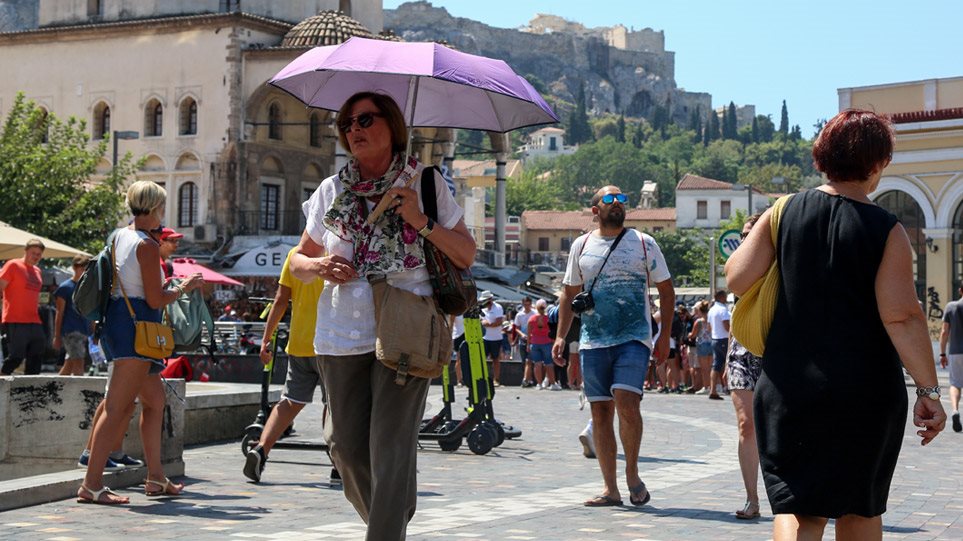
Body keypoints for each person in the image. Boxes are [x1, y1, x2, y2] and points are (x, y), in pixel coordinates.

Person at [726, 109, 946, 540]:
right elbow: (901, 316)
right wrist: (928, 391)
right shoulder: (887, 230)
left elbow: (736, 277)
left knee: (798, 507)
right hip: (864, 391)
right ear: (879, 164)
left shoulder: (782, 211)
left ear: (820, 157)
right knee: (859, 508)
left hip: (789, 384)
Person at [290, 91, 475, 540]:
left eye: (366, 120)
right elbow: (297, 259)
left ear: (393, 126)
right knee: (345, 448)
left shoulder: (426, 185)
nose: (355, 130)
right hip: (340, 333)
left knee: (390, 449)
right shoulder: (332, 191)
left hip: (405, 329)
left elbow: (466, 253)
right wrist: (317, 266)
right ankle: (390, 524)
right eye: (348, 123)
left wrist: (420, 220)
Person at [77, 180, 204, 504]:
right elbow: (155, 297)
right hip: (137, 330)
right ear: (152, 208)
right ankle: (91, 485)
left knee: (155, 401)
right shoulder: (147, 246)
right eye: (162, 206)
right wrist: (183, 287)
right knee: (118, 407)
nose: (164, 211)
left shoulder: (120, 235)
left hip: (123, 324)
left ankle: (156, 477)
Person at [553, 185, 674, 508]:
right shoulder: (582, 245)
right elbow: (569, 292)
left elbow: (666, 289)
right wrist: (562, 336)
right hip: (594, 339)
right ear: (595, 210)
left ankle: (632, 474)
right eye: (609, 200)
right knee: (601, 411)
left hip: (634, 337)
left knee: (627, 401)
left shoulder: (645, 244)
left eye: (622, 199)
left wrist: (663, 335)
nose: (618, 203)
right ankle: (611, 489)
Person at [244, 247, 334, 483]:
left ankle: (261, 450)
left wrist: (266, 339)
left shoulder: (296, 255)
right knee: (334, 405)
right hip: (331, 343)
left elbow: (281, 300)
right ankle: (338, 461)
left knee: (289, 401)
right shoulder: (336, 250)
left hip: (299, 342)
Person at [727, 215, 765, 520]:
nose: (744, 239)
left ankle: (791, 498)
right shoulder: (739, 268)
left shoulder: (776, 267)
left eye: (750, 234)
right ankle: (752, 499)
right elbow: (737, 312)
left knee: (780, 429)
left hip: (774, 352)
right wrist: (727, 355)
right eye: (742, 234)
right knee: (746, 424)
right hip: (740, 353)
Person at [0, 239, 46, 375]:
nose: (36, 256)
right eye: (33, 253)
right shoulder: (13, 265)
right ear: (25, 251)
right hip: (15, 318)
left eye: (39, 254)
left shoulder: (37, 270)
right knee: (16, 356)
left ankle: (31, 388)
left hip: (34, 320)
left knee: (37, 354)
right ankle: (1, 379)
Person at [54, 255, 93, 376]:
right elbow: (59, 313)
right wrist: (57, 336)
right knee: (79, 363)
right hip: (71, 331)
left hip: (84, 331)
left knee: (69, 364)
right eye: (82, 268)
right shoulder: (65, 287)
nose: (84, 271)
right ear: (74, 267)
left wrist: (93, 330)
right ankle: (79, 393)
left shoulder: (87, 287)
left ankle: (55, 390)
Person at [941, 286, 963, 432]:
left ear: (961, 290)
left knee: (955, 383)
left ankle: (955, 410)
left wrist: (942, 354)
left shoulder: (951, 306)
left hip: (955, 352)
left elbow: (944, 332)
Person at [528, 299, 560, 390]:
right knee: (549, 364)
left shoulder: (532, 319)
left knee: (537, 364)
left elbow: (529, 333)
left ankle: (539, 384)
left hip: (534, 343)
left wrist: (528, 345)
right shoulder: (548, 318)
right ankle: (553, 383)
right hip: (547, 342)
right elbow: (553, 332)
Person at [706, 290, 730, 400]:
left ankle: (713, 390)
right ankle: (728, 387)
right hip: (724, 339)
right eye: (725, 297)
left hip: (715, 339)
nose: (726, 299)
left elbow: (709, 327)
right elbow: (726, 326)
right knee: (727, 363)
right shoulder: (723, 310)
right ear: (721, 297)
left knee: (716, 365)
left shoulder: (711, 310)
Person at [477, 290, 504, 386]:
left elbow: (499, 322)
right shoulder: (482, 310)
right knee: (481, 359)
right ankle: (482, 378)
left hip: (496, 338)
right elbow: (481, 321)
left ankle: (496, 379)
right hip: (484, 338)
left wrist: (488, 324)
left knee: (496, 359)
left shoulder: (498, 308)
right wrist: (486, 323)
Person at [685, 301, 712, 394]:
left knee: (704, 368)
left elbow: (693, 334)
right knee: (710, 367)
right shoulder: (711, 319)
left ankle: (706, 387)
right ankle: (712, 386)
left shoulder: (699, 321)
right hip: (711, 343)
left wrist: (688, 335)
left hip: (702, 344)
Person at [514, 297, 536, 387]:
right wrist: (522, 334)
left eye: (528, 304)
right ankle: (528, 379)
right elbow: (516, 328)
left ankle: (527, 379)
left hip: (533, 339)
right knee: (524, 361)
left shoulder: (534, 314)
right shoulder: (519, 315)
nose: (527, 306)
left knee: (529, 360)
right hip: (522, 340)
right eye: (525, 304)